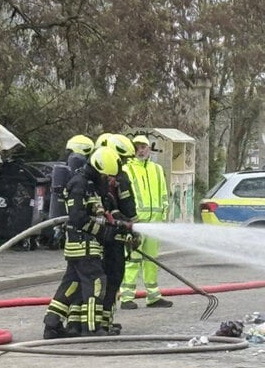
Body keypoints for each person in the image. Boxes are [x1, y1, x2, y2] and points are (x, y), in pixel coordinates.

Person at [42, 146, 128, 338]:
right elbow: (77, 218)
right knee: (96, 282)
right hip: (82, 244)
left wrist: (116, 225)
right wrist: (104, 232)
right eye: (106, 176)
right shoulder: (79, 185)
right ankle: (92, 328)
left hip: (85, 245)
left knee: (71, 285)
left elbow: (100, 211)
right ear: (99, 168)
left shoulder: (92, 185)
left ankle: (52, 324)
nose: (108, 180)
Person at [119, 134, 173, 309]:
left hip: (154, 223)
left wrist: (164, 217)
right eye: (137, 147)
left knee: (152, 260)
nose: (140, 150)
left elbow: (164, 194)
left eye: (143, 147)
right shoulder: (127, 169)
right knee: (132, 260)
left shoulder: (157, 169)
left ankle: (153, 296)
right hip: (136, 222)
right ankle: (126, 297)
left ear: (149, 149)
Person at [99, 134, 139, 333]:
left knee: (115, 277)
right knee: (106, 279)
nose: (122, 164)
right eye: (120, 159)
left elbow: (125, 206)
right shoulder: (101, 179)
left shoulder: (118, 176)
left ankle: (105, 321)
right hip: (103, 240)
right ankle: (98, 322)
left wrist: (132, 228)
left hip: (115, 237)